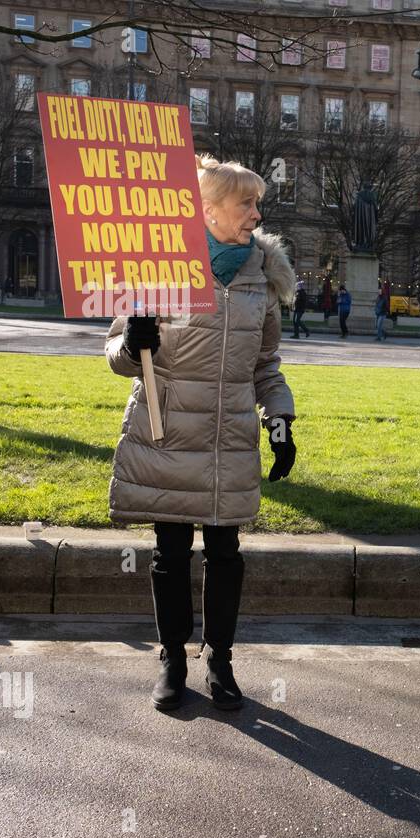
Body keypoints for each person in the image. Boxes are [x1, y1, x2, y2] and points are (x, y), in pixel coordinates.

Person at [105, 153, 297, 713]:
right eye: (247, 203)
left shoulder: (263, 278)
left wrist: (280, 421)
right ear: (207, 209)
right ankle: (171, 659)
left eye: (257, 203)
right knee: (169, 551)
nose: (256, 214)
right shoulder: (161, 266)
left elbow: (266, 364)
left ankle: (220, 661)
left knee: (225, 552)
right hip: (167, 432)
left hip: (228, 437)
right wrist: (133, 341)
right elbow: (118, 356)